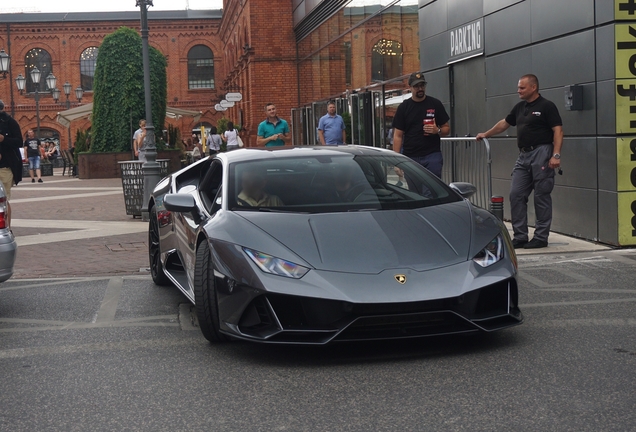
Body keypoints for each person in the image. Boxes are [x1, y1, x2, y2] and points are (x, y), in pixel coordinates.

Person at [476, 74, 563, 249]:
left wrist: (556, 155)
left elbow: (558, 131)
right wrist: (486, 134)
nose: (519, 91)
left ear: (533, 87)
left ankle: (540, 237)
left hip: (542, 153)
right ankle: (520, 236)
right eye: (518, 87)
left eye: (522, 88)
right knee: (516, 194)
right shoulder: (519, 107)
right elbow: (504, 123)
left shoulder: (547, 106)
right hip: (523, 156)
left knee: (541, 196)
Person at [391, 71, 450, 178]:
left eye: (422, 85)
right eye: (416, 86)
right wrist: (397, 162)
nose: (420, 89)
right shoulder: (404, 107)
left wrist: (437, 130)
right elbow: (398, 135)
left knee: (432, 191)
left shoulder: (435, 104)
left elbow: (446, 128)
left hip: (432, 155)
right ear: (410, 87)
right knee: (415, 192)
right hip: (410, 157)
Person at [0, 100, 24, 226]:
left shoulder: (10, 122)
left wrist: (4, 139)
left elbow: (19, 142)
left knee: (3, 199)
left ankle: (6, 228)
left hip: (5, 167)